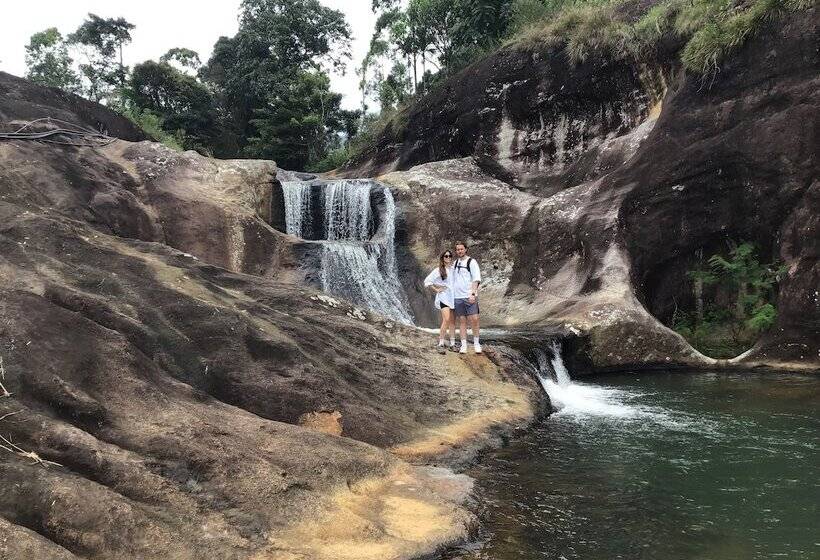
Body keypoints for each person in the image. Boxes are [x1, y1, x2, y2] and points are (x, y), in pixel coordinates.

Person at [423, 250, 456, 353]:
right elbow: (427, 281)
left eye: (450, 256)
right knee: (446, 319)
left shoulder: (453, 269)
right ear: (442, 258)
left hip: (453, 297)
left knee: (452, 321)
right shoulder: (438, 270)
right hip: (443, 297)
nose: (448, 258)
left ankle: (452, 343)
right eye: (446, 256)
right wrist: (437, 289)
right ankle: (441, 342)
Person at [452, 241, 482, 354]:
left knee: (475, 319)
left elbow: (476, 279)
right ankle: (463, 345)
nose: (459, 251)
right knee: (462, 321)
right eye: (457, 249)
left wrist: (473, 294)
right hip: (457, 297)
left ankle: (476, 343)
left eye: (461, 249)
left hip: (469, 296)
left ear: (466, 249)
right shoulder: (455, 263)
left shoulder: (471, 262)